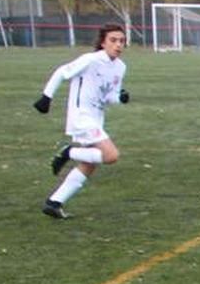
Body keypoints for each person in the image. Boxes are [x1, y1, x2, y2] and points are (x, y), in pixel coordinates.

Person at [33, 22, 129, 220]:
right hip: (81, 116)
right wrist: (46, 97)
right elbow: (62, 72)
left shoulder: (120, 67)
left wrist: (120, 98)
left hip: (96, 118)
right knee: (111, 155)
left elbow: (109, 96)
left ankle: (54, 203)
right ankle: (68, 151)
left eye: (121, 41)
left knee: (89, 164)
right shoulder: (90, 60)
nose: (118, 44)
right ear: (103, 43)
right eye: (113, 40)